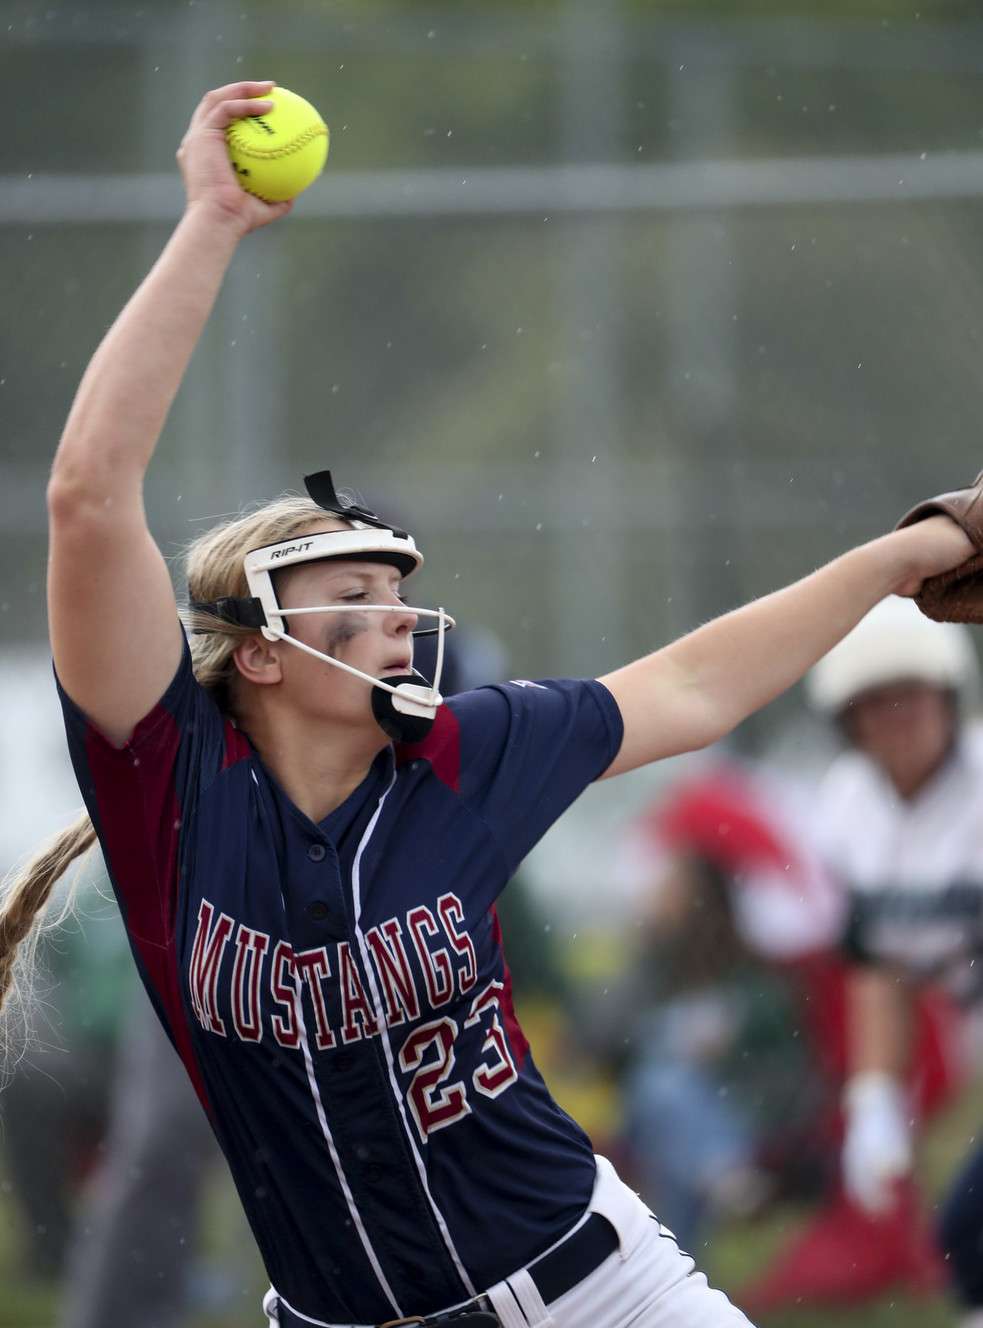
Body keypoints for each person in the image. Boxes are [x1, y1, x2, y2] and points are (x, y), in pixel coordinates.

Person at [2, 80, 976, 1328]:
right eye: (356, 590)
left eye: (403, 588)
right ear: (257, 652)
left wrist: (896, 559)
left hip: (598, 1291)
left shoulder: (465, 750)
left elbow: (684, 683)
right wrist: (212, 221)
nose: (404, 614)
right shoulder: (170, 788)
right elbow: (89, 494)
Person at [802, 596, 983, 1326]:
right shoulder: (847, 809)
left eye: (911, 698)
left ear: (946, 699)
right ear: (848, 723)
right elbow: (877, 966)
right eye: (874, 705)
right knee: (964, 1241)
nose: (897, 720)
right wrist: (873, 1099)